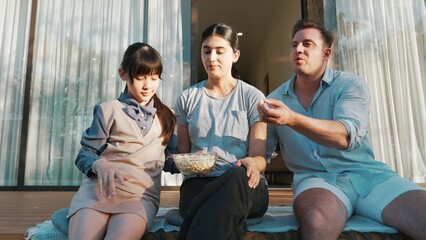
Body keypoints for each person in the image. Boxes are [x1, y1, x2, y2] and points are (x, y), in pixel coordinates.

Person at [258, 18, 426, 240]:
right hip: (315, 180)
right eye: (294, 44)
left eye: (307, 44)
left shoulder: (349, 85)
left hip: (370, 176)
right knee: (316, 221)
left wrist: (291, 119)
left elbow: (345, 136)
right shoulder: (274, 99)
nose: (298, 49)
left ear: (326, 54)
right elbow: (259, 154)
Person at [67, 42, 176, 240]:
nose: (147, 85)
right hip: (97, 192)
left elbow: (169, 160)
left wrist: (194, 162)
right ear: (123, 74)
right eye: (141, 77)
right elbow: (85, 154)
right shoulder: (107, 110)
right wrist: (99, 164)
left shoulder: (167, 116)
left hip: (139, 198)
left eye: (154, 78)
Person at [173, 22, 269, 240]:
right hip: (199, 184)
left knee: (234, 177)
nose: (211, 58)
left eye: (219, 51)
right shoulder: (187, 99)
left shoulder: (253, 98)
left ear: (235, 55)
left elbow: (259, 159)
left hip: (244, 183)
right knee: (219, 211)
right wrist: (191, 161)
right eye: (206, 51)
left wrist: (252, 163)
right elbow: (183, 155)